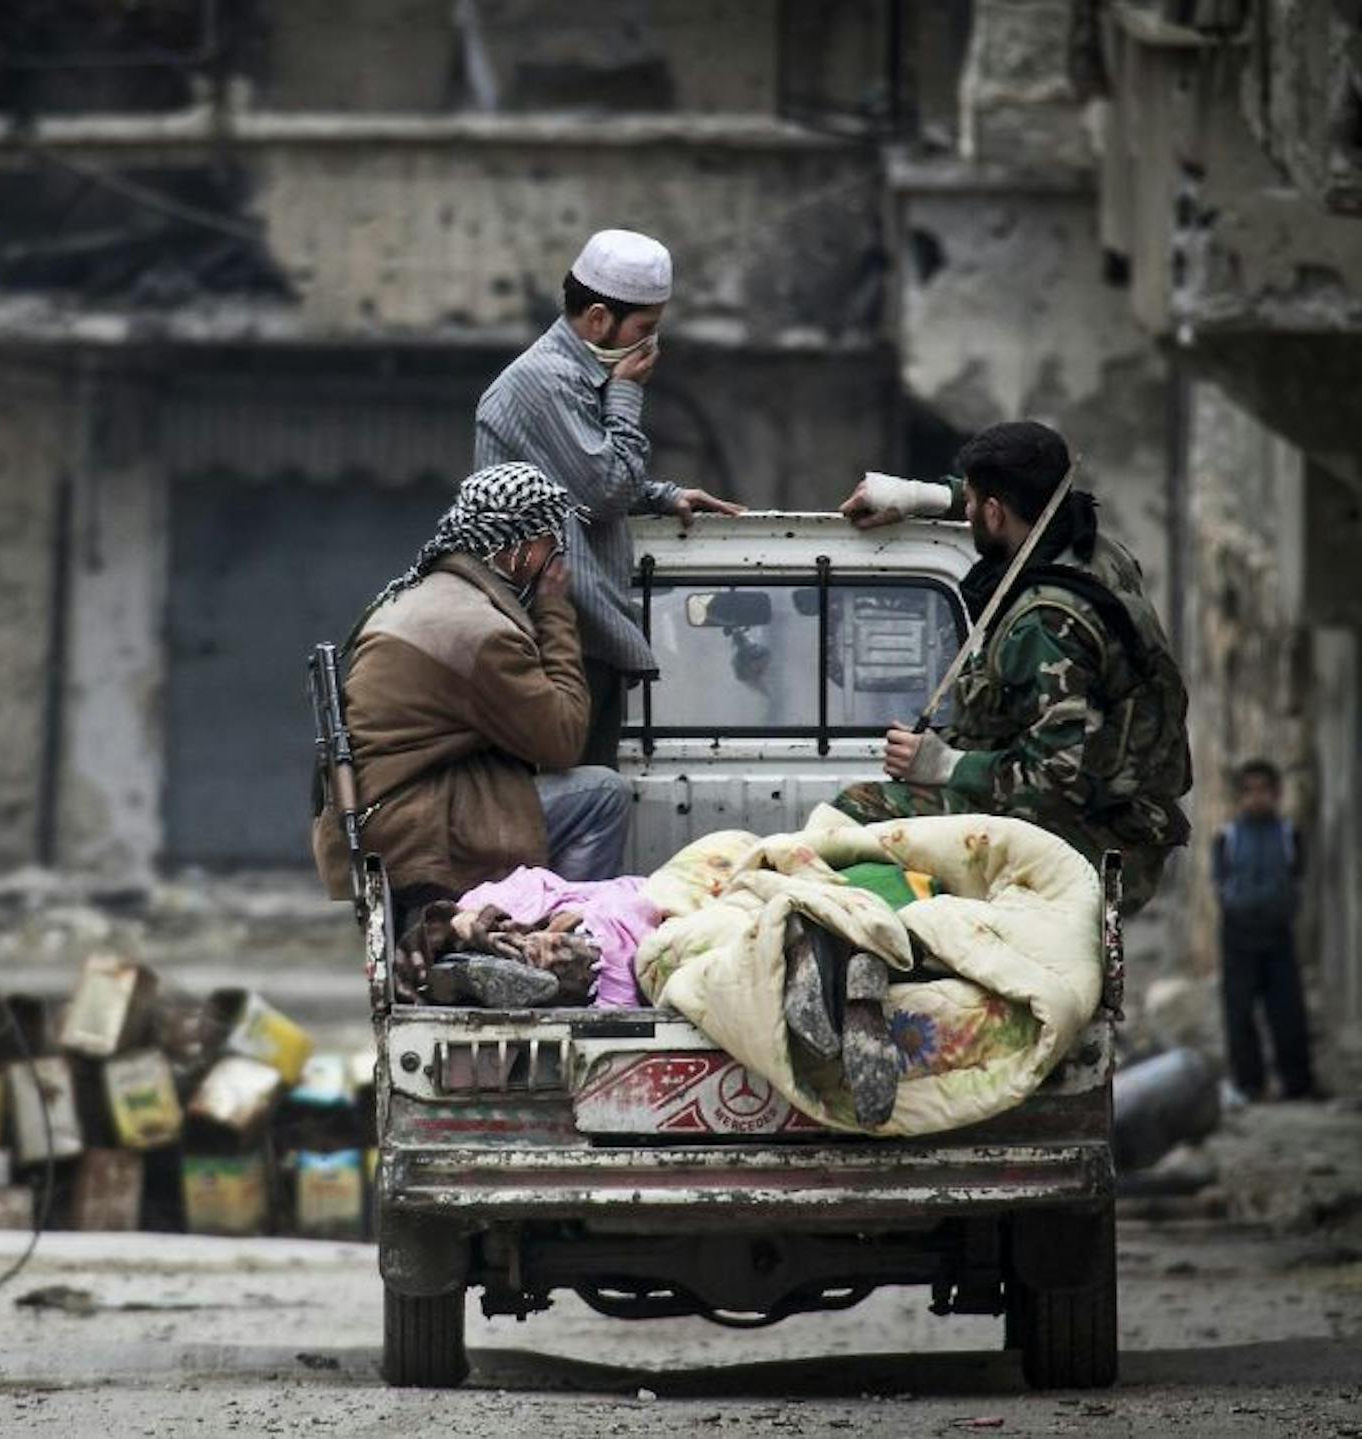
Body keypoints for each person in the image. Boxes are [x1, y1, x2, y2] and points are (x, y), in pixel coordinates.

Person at [830, 420, 1192, 915]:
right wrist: (923, 497)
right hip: (1121, 817)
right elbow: (1020, 504)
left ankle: (888, 947)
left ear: (997, 513)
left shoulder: (1044, 623)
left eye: (974, 504)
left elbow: (1058, 782)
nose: (970, 511)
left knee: (860, 814)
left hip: (1090, 839)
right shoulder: (1096, 553)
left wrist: (944, 765)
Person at [474, 229, 744, 767]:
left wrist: (663, 497)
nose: (651, 347)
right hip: (551, 634)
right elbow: (602, 490)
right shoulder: (545, 381)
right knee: (574, 800)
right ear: (598, 319)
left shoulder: (572, 377)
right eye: (644, 330)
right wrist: (626, 393)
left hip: (576, 633)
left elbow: (579, 480)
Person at [311, 463, 631, 916]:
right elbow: (562, 738)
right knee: (603, 795)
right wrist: (555, 613)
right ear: (515, 546)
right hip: (423, 828)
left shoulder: (421, 596)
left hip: (389, 815)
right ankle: (563, 936)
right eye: (547, 540)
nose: (555, 556)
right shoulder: (479, 630)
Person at [1215, 760, 1318, 1100]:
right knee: (1239, 1012)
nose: (1257, 798)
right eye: (1249, 791)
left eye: (1265, 791)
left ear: (1276, 794)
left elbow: (1296, 877)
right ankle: (1249, 1084)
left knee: (1287, 1010)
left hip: (1278, 934)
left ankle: (1297, 1084)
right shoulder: (1227, 837)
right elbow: (1221, 883)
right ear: (1239, 797)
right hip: (1238, 934)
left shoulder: (1289, 835)